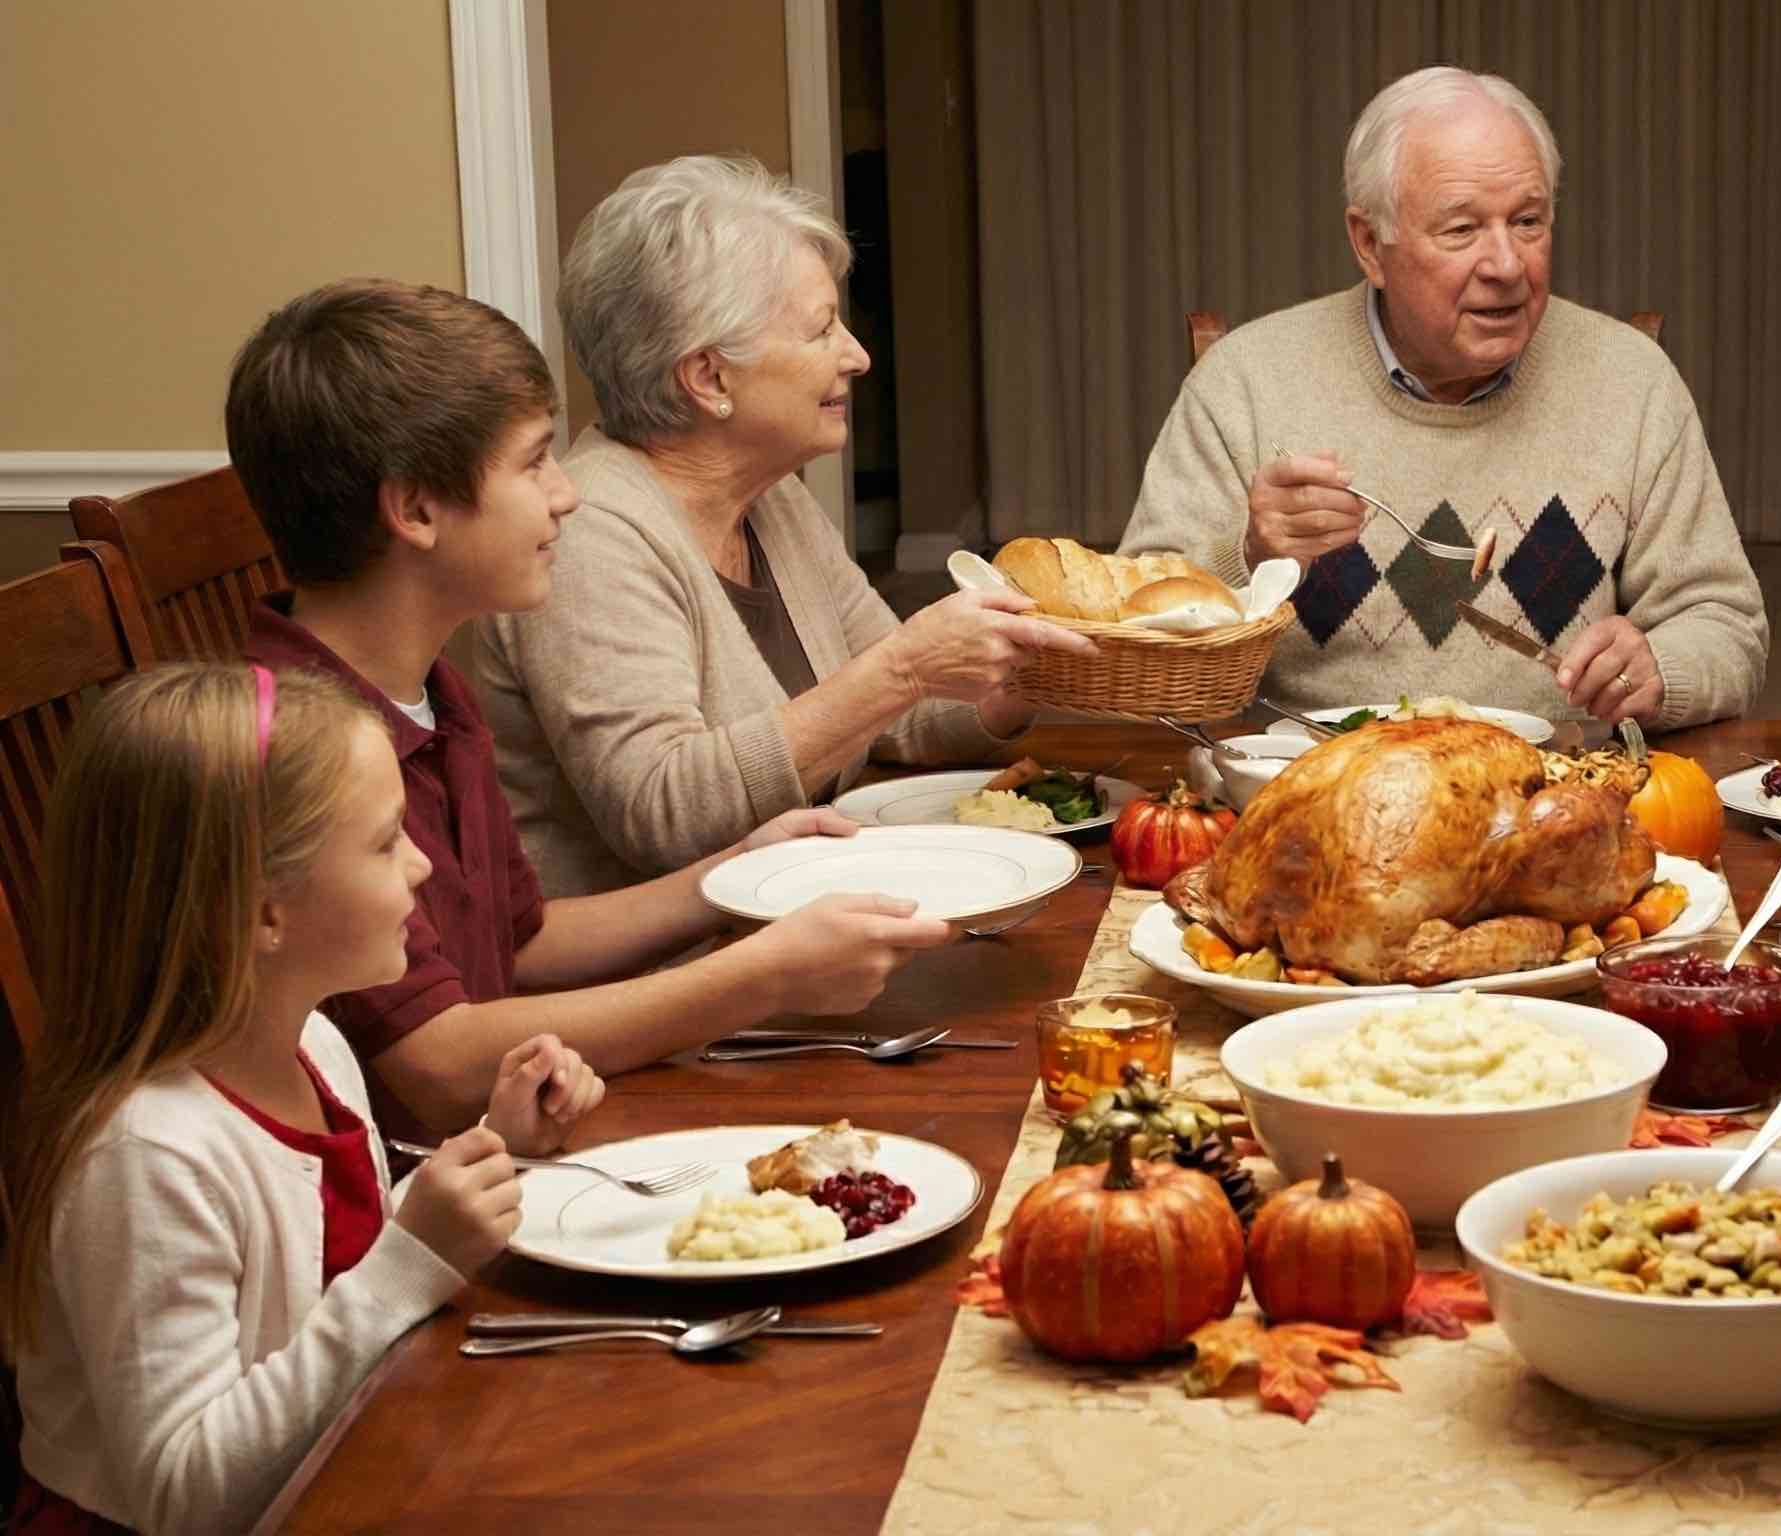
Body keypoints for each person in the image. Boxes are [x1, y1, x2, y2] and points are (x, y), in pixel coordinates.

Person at [232, 279, 960, 1132]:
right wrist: (764, 976)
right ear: (418, 510)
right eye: (534, 461)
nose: (567, 493)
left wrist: (734, 872)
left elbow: (522, 944)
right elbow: (439, 1065)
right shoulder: (300, 748)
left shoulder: (427, 687)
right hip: (412, 1199)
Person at [5, 663, 602, 1535]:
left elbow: (329, 1274)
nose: (421, 863)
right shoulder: (147, 1154)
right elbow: (184, 1497)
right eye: (384, 840)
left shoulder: (314, 1042)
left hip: (337, 1477)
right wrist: (412, 1261)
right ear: (262, 914)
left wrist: (493, 1149)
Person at [471, 155, 1094, 898]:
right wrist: (903, 668)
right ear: (708, 377)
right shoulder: (590, 535)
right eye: (821, 330)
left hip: (806, 923)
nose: (857, 357)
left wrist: (1024, 672)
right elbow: (661, 814)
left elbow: (901, 719)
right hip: (663, 982)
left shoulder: (775, 501)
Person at [1116, 65, 1768, 730]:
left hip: (1554, 799)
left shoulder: (1633, 382)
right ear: (1370, 244)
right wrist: (1248, 559)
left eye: (1528, 222)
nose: (1507, 266)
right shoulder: (1246, 382)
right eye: (1461, 230)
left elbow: (1727, 626)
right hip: (1313, 795)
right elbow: (1131, 631)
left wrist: (1662, 664)